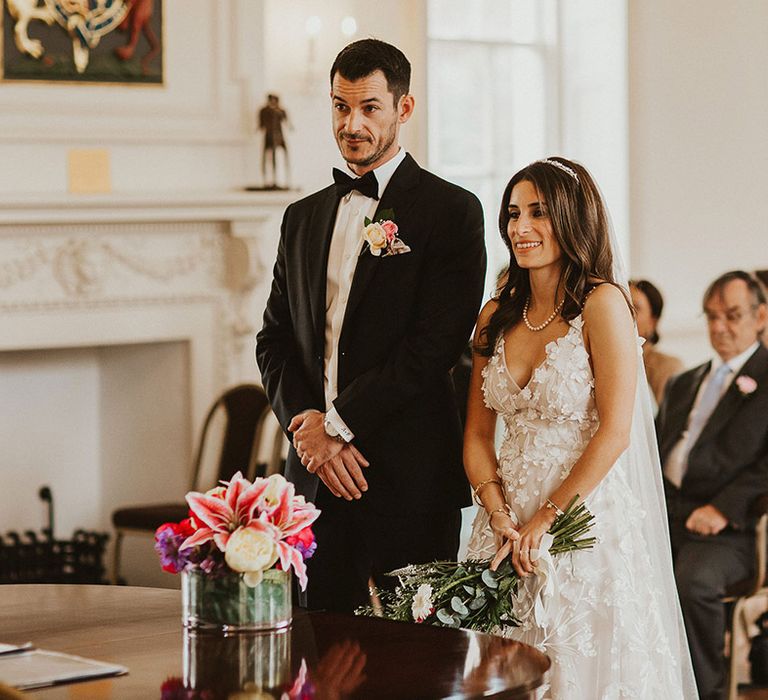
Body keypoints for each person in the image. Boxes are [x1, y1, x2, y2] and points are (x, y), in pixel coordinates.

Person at [256, 39, 486, 613]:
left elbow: (434, 346)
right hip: (312, 483)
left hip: (407, 480)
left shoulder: (452, 211)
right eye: (340, 106)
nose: (351, 123)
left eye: (369, 108)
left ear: (404, 109)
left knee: (412, 665)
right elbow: (274, 340)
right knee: (314, 657)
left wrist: (340, 425)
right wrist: (306, 432)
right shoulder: (301, 217)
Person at [463, 157, 697, 698]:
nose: (520, 228)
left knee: (580, 671)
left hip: (581, 523)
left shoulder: (604, 304)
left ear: (573, 217)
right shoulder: (495, 315)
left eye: (538, 213)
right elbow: (477, 438)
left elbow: (615, 431)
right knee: (503, 669)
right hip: (502, 524)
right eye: (514, 214)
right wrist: (499, 515)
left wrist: (545, 521)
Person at [657, 270, 768, 700]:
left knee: (692, 582)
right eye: (711, 316)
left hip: (730, 532)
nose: (719, 327)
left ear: (760, 317)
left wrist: (724, 508)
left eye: (732, 316)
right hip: (667, 516)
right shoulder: (683, 383)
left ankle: (705, 694)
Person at [630, 278, 684, 407]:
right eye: (622, 305)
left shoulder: (668, 367)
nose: (626, 314)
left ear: (653, 322)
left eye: (635, 308)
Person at [258, 93, 291, 188]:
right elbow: (261, 124)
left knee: (281, 157)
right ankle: (268, 181)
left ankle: (283, 180)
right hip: (269, 136)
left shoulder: (280, 111)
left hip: (279, 136)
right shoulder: (264, 111)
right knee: (268, 158)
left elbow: (287, 122)